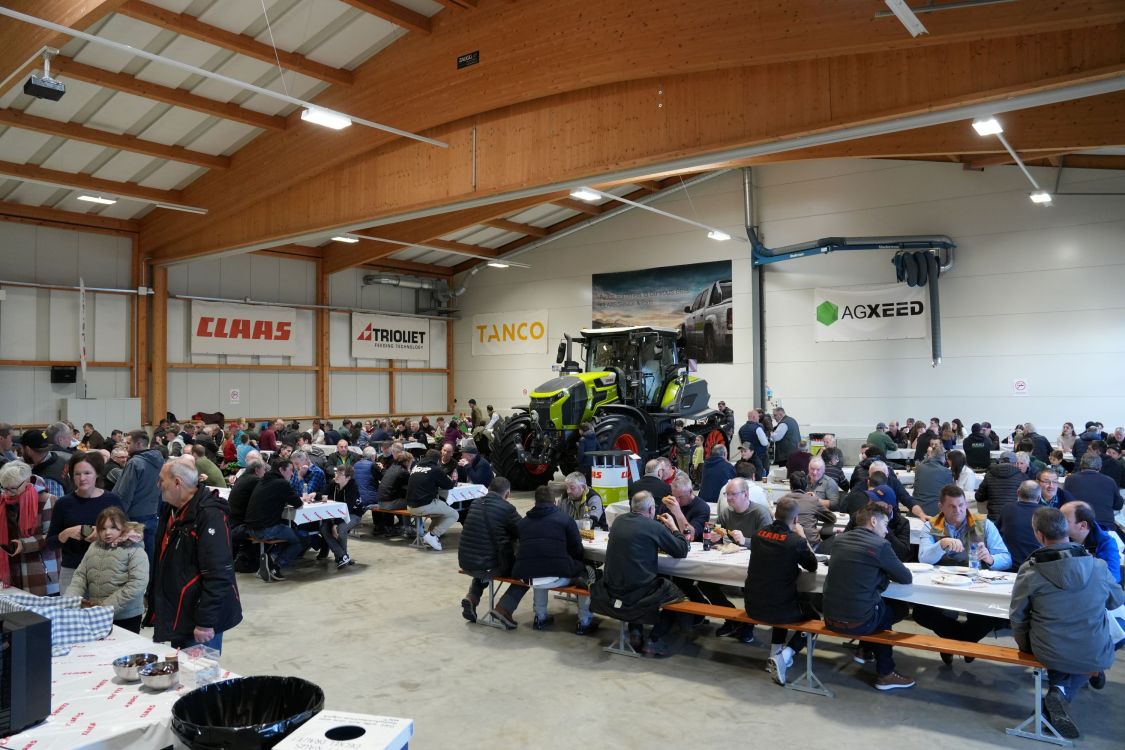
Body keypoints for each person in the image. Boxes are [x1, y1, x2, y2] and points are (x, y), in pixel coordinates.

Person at [1009, 507, 1122, 739]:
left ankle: (1060, 689)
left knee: (1057, 642)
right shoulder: (1098, 566)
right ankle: (1064, 690)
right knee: (1098, 638)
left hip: (1049, 649)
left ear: (1039, 535)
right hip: (1093, 650)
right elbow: (1116, 601)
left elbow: (1018, 616)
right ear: (1066, 530)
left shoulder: (1029, 572)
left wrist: (1024, 646)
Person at [146, 460, 241, 651]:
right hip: (179, 612)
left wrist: (205, 621)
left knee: (199, 677)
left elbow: (219, 572)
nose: (158, 485)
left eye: (161, 480)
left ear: (177, 482)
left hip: (198, 619)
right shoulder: (171, 509)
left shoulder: (209, 515)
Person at [915, 485, 1012, 662]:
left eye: (961, 505)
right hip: (941, 585)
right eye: (952, 506)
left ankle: (955, 642)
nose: (958, 510)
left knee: (990, 616)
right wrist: (941, 544)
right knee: (921, 613)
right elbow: (923, 558)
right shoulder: (931, 525)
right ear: (941, 507)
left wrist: (990, 559)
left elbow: (1006, 559)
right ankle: (962, 643)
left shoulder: (984, 523)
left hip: (976, 586)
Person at [823, 502, 914, 690]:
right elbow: (905, 577)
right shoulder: (880, 545)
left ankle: (865, 649)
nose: (887, 530)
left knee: (874, 608)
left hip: (829, 617)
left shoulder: (839, 540)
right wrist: (882, 577)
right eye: (885, 524)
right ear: (873, 521)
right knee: (895, 610)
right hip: (859, 622)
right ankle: (886, 672)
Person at [589, 491, 690, 657]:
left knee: (635, 580)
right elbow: (681, 550)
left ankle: (636, 632)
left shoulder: (619, 521)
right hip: (638, 592)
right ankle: (654, 639)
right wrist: (673, 528)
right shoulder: (653, 527)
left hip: (612, 589)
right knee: (678, 596)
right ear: (651, 509)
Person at [745, 495, 819, 685]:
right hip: (779, 609)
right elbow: (812, 565)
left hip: (752, 605)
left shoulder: (758, 535)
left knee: (780, 599)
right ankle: (785, 656)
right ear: (795, 520)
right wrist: (802, 536)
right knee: (814, 619)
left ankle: (773, 655)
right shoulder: (795, 542)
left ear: (775, 514)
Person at [512, 484, 599, 634]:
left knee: (539, 568)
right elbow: (577, 550)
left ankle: (540, 617)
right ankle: (584, 620)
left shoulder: (522, 523)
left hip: (526, 577)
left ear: (535, 502)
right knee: (585, 572)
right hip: (555, 575)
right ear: (554, 501)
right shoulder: (565, 520)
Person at [47, 452, 123, 590]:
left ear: (97, 474)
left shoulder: (112, 500)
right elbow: (50, 543)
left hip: (107, 569)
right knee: (71, 611)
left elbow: (127, 534)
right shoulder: (63, 503)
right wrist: (66, 533)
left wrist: (102, 534)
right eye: (77, 474)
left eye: (87, 473)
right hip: (72, 571)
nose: (82, 478)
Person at [66, 506, 148, 633]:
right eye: (103, 528)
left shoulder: (135, 550)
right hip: (97, 615)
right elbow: (81, 575)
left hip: (126, 617)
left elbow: (137, 584)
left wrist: (106, 607)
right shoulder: (93, 547)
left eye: (113, 527)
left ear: (124, 527)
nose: (107, 532)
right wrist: (70, 599)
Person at [458, 477, 526, 627]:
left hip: (466, 560)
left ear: (489, 489)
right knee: (527, 572)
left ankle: (472, 597)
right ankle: (504, 608)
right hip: (489, 564)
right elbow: (523, 530)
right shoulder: (507, 509)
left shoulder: (475, 503)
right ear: (507, 493)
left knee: (485, 561)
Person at [0, 461, 60, 596]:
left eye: (12, 489)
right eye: (4, 488)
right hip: (11, 573)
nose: (8, 494)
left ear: (27, 482)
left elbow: (52, 537)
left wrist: (23, 544)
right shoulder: (3, 502)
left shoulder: (47, 500)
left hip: (40, 573)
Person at [245, 460, 311, 579]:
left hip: (250, 527)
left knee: (288, 534)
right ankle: (275, 567)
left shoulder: (263, 480)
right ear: (281, 469)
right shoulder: (281, 483)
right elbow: (298, 504)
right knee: (300, 539)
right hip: (266, 528)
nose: (292, 474)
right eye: (290, 470)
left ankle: (268, 562)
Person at [112, 430, 166, 564]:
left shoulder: (135, 463)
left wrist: (115, 517)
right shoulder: (160, 461)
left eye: (129, 443)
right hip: (152, 514)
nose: (126, 447)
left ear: (139, 444)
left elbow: (125, 493)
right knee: (148, 558)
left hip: (133, 518)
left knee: (133, 560)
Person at [406, 449, 458, 550]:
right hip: (423, 506)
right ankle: (433, 535)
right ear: (437, 460)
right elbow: (449, 485)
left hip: (409, 506)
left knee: (440, 511)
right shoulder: (435, 469)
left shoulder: (416, 466)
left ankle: (429, 536)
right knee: (454, 514)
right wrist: (453, 479)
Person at [1059, 500, 1121, 585]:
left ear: (1083, 525)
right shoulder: (1059, 537)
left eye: (1064, 521)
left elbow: (1112, 578)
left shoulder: (1106, 543)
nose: (1058, 524)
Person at [1063, 452, 1121, 529]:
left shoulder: (1070, 479)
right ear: (1100, 467)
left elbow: (1065, 501)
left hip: (1078, 528)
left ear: (1081, 465)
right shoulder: (1110, 481)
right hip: (1105, 527)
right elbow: (1118, 505)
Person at [318, 464, 358, 569]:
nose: (337, 476)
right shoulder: (334, 484)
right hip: (334, 515)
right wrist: (314, 494)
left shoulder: (352, 487)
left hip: (353, 514)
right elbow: (323, 494)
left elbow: (347, 509)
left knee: (341, 529)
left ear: (348, 478)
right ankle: (343, 556)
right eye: (337, 473)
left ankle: (341, 557)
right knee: (323, 528)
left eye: (340, 474)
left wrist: (335, 524)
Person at [999, 480, 1047, 569]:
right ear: (1038, 498)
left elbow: (997, 532)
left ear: (1018, 493)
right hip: (1034, 566)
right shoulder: (1046, 512)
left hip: (1009, 565)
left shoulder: (1007, 508)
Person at [976, 451, 1029, 525]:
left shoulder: (989, 475)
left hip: (993, 519)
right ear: (1016, 463)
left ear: (999, 462)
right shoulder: (1023, 477)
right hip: (1015, 519)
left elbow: (979, 497)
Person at [19, 428, 69, 496]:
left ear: (28, 450)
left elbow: (55, 505)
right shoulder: (58, 459)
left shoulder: (48, 480)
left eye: (21, 448)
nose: (21, 452)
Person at [912, 445, 954, 516]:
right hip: (936, 513)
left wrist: (927, 458)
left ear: (930, 456)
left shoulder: (919, 468)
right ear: (943, 459)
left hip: (916, 510)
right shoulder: (947, 472)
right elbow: (951, 493)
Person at [738, 410, 770, 480]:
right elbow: (765, 443)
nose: (759, 418)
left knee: (746, 476)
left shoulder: (741, 429)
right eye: (758, 416)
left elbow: (741, 443)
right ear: (754, 417)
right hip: (760, 458)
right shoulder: (758, 428)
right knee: (763, 476)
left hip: (746, 459)